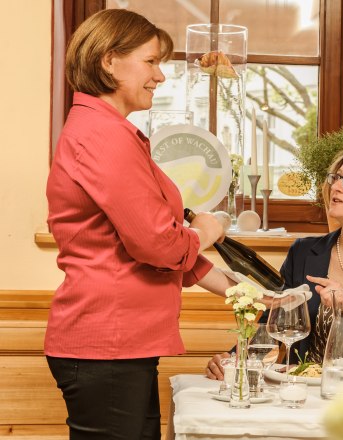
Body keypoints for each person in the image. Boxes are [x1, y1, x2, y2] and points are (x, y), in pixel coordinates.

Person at [46, 9, 236, 439]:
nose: (160, 76)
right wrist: (208, 230)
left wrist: (244, 292)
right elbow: (160, 246)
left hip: (117, 344)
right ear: (108, 61)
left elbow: (158, 252)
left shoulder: (105, 130)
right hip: (108, 343)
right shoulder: (104, 136)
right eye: (150, 62)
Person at [206, 145, 343, 379]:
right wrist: (233, 360)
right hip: (302, 390)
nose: (336, 186)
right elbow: (271, 328)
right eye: (336, 178)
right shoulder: (303, 252)